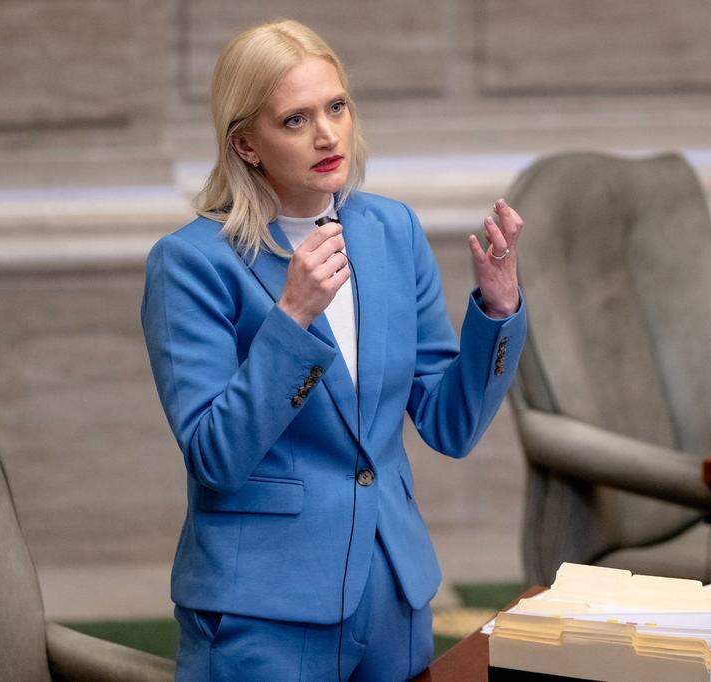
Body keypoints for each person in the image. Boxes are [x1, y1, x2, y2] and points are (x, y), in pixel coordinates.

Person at [140, 19, 527, 681]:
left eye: (336, 107)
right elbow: (215, 458)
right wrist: (292, 318)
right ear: (246, 144)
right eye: (295, 120)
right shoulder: (190, 264)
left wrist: (497, 310)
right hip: (261, 606)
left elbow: (450, 425)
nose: (327, 135)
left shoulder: (391, 230)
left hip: (393, 593)